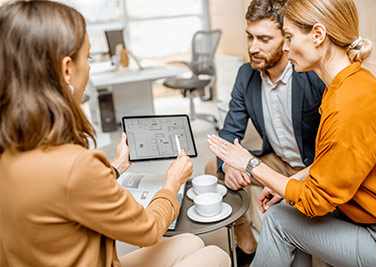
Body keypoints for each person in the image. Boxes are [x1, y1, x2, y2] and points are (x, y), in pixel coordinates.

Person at [0, 1, 230, 267]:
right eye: (86, 58)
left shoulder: (13, 149)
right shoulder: (76, 166)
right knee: (217, 255)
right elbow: (148, 230)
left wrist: (117, 167)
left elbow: (63, 192)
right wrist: (172, 183)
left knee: (192, 242)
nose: (87, 68)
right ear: (66, 69)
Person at [207, 0, 376, 266]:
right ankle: (247, 241)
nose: (285, 48)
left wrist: (251, 164)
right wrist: (291, 180)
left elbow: (315, 201)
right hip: (368, 215)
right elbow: (336, 159)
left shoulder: (347, 102)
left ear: (318, 35)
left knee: (279, 219)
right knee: (283, 212)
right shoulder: (352, 83)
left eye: (288, 37)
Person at [204, 0, 324, 262]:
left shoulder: (310, 74)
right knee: (213, 166)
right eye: (250, 37)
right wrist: (230, 166)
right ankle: (246, 242)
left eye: (264, 39)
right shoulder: (246, 75)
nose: (252, 47)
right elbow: (228, 133)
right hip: (278, 162)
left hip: (313, 169)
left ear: (286, 40)